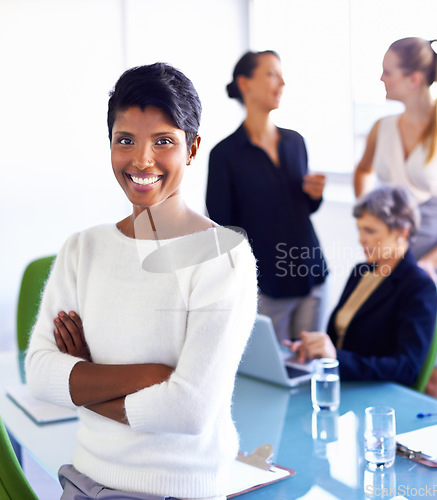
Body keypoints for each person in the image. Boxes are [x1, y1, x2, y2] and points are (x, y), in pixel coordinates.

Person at [25, 63, 257, 500]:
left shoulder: (222, 257)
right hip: (81, 480)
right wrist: (151, 375)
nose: (141, 160)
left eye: (163, 141)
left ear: (192, 148)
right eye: (125, 140)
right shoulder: (83, 248)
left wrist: (84, 380)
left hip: (176, 491)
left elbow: (188, 409)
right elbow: (39, 374)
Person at [353, 37, 437, 400]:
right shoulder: (383, 128)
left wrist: (429, 262)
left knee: (432, 376)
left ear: (413, 79)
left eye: (387, 72)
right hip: (387, 263)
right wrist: (370, 222)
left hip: (435, 265)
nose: (381, 79)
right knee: (388, 366)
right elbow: (362, 171)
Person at [206, 50, 328, 343]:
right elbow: (225, 231)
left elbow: (302, 207)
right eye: (272, 73)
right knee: (275, 375)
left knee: (311, 364)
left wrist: (315, 196)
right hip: (266, 288)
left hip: (312, 277)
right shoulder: (224, 155)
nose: (282, 82)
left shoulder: (295, 141)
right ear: (245, 83)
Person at [286, 186, 437, 387]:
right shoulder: (361, 272)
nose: (361, 239)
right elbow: (338, 340)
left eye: (370, 230)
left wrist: (337, 359)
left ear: (402, 231)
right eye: (360, 229)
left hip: (373, 393)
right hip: (341, 383)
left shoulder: (418, 286)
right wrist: (316, 348)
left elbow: (407, 368)